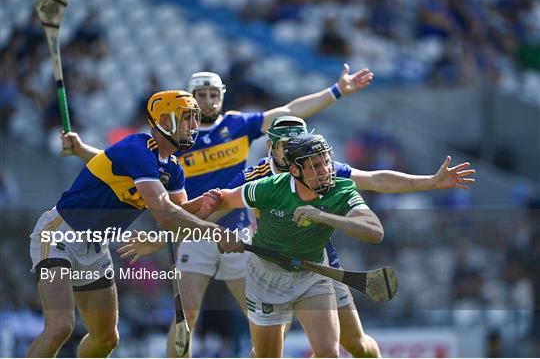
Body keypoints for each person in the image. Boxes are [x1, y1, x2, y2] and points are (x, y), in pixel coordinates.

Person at [119, 116, 477, 357]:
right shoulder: (256, 177)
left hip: (316, 262)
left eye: (301, 142)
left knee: (355, 345)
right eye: (287, 144)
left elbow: (376, 179)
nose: (297, 148)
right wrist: (164, 237)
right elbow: (212, 208)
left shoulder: (322, 168)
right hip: (266, 265)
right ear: (273, 149)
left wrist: (430, 182)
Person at [27, 90, 227, 357]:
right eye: (187, 118)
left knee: (106, 338)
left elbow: (181, 213)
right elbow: (166, 215)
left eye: (195, 119)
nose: (194, 126)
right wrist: (215, 232)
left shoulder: (173, 169)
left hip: (95, 248)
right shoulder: (138, 149)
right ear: (165, 122)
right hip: (59, 235)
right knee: (60, 327)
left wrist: (206, 204)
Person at [217, 133, 383, 357]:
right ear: (294, 170)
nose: (325, 170)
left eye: (326, 161)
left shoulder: (341, 189)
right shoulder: (268, 187)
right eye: (315, 165)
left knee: (330, 352)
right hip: (268, 277)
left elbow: (375, 232)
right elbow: (219, 201)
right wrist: (213, 232)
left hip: (312, 273)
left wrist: (324, 217)